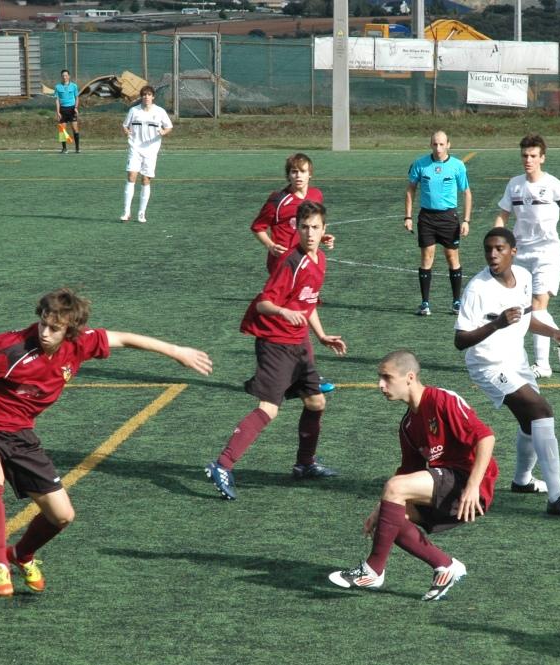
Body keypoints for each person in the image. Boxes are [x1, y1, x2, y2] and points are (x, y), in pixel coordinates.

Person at [0, 288, 213, 597]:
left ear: (71, 330)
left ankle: (20, 555)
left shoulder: (80, 344)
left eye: (54, 328)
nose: (45, 332)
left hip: (22, 435)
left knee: (62, 515)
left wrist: (177, 352)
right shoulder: (10, 348)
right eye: (43, 324)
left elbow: (124, 338)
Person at [205, 201, 346, 501]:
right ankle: (222, 465)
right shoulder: (290, 264)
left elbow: (308, 303)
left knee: (316, 402)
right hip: (275, 343)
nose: (310, 233)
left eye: (316, 228)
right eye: (305, 227)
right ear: (296, 228)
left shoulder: (320, 259)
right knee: (269, 409)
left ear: (324, 230)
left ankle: (304, 464)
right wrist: (283, 313)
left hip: (301, 343)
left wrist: (321, 335)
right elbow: (263, 304)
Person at [328, 350, 496, 601]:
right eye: (379, 378)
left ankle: (373, 570)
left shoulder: (442, 400)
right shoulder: (408, 425)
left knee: (394, 490)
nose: (380, 385)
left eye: (386, 377)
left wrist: (472, 487)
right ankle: (445, 566)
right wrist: (381, 507)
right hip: (444, 486)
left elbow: (486, 437)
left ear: (409, 377)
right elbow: (407, 473)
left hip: (468, 481)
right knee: (390, 518)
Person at [454, 228, 560, 516]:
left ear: (512, 251)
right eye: (488, 249)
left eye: (499, 248)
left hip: (516, 361)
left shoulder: (524, 278)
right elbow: (460, 340)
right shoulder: (477, 289)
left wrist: (555, 333)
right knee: (541, 410)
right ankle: (557, 496)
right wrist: (496, 324)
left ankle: (522, 480)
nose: (493, 254)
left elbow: (524, 320)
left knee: (530, 422)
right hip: (488, 364)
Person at [494, 134, 560, 378]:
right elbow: (503, 214)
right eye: (525, 155)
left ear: (542, 158)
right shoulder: (514, 185)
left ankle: (542, 365)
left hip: (547, 254)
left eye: (533, 156)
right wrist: (497, 241)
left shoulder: (554, 185)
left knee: (537, 307)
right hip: (521, 254)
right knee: (526, 309)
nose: (528, 160)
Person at [250, 152, 336, 394]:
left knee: (300, 313)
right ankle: (306, 375)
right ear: (288, 174)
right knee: (292, 316)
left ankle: (281, 373)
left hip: (306, 261)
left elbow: (314, 225)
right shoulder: (278, 201)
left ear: (311, 174)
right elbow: (257, 227)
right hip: (285, 266)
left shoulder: (316, 195)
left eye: (302, 171)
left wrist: (322, 238)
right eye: (294, 172)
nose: (298, 176)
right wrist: (269, 245)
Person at [404, 130, 472, 316]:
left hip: (448, 218)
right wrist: (408, 217)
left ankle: (456, 302)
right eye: (435, 144)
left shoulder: (457, 166)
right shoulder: (420, 164)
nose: (438, 148)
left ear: (449, 144)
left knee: (452, 257)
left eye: (442, 144)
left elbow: (466, 193)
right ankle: (425, 303)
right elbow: (410, 190)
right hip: (426, 218)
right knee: (427, 257)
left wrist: (466, 220)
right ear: (430, 144)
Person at [121, 85, 172, 223]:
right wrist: (126, 131)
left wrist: (163, 132)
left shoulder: (160, 111)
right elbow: (125, 125)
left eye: (149, 94)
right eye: (144, 95)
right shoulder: (133, 110)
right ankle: (126, 212)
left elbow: (169, 126)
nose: (146, 97)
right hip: (135, 148)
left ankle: (141, 213)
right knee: (131, 176)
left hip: (151, 150)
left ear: (153, 96)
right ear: (141, 97)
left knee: (145, 179)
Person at [54, 69, 80, 154]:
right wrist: (58, 112)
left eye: (66, 75)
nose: (64, 77)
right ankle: (64, 148)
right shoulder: (57, 87)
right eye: (63, 76)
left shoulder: (74, 86)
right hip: (63, 110)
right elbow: (57, 100)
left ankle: (77, 148)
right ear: (61, 77)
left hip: (72, 109)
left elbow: (77, 98)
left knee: (75, 129)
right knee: (62, 130)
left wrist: (76, 107)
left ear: (69, 76)